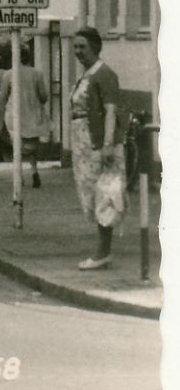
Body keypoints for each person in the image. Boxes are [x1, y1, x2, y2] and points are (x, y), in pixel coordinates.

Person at [70, 28, 126, 270]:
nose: (78, 52)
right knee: (92, 194)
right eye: (76, 47)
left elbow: (111, 111)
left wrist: (107, 145)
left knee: (105, 194)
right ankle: (102, 251)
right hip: (84, 143)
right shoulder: (87, 75)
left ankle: (103, 253)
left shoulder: (104, 75)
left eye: (83, 47)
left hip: (98, 143)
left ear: (95, 47)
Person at [0, 44, 51, 189]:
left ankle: (19, 176)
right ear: (29, 57)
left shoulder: (9, 74)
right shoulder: (37, 74)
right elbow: (43, 96)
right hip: (32, 113)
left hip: (14, 114)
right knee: (32, 146)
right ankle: (34, 172)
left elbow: (2, 96)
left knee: (17, 146)